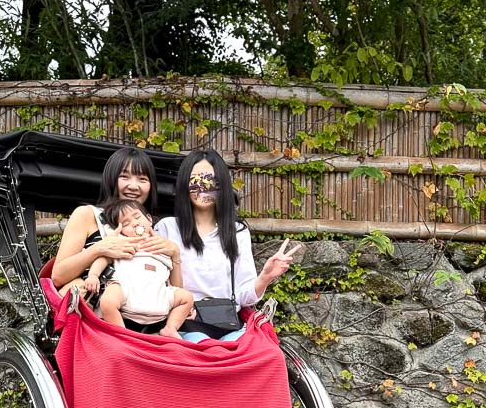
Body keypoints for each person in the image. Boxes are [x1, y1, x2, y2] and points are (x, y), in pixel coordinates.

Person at [154, 149, 302, 342]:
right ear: (184, 184)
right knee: (204, 347)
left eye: (210, 180)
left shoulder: (237, 232)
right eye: (195, 179)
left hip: (227, 324)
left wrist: (265, 277)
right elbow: (155, 282)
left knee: (265, 353)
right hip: (183, 322)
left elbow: (242, 296)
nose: (202, 186)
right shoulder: (167, 228)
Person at [51, 146, 181, 305]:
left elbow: (173, 293)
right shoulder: (87, 215)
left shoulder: (149, 228)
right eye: (125, 177)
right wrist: (99, 249)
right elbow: (58, 276)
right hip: (94, 319)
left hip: (144, 322)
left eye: (142, 179)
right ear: (111, 179)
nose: (134, 186)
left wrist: (175, 255)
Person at [84, 198, 194, 337]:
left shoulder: (163, 245)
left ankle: (170, 328)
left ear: (149, 220)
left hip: (158, 295)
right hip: (128, 291)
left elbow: (175, 283)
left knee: (187, 298)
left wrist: (174, 256)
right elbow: (104, 258)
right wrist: (93, 275)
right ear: (120, 230)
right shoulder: (123, 243)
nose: (135, 223)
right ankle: (121, 333)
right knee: (108, 300)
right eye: (126, 223)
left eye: (137, 217)